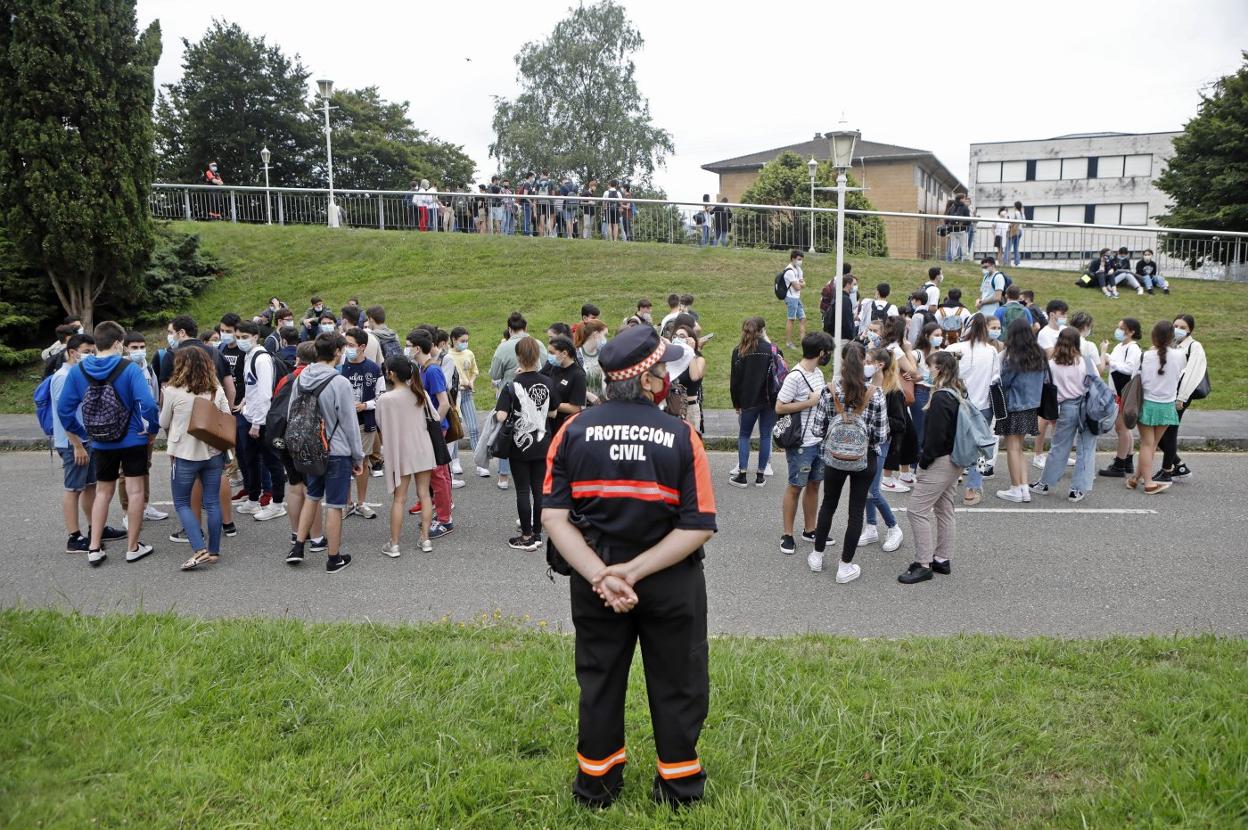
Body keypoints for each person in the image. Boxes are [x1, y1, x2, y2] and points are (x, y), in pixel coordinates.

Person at [540, 324, 716, 808]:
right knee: (678, 681)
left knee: (599, 679)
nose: (669, 379)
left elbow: (553, 517)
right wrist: (635, 572)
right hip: (671, 580)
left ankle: (596, 786)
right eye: (664, 370)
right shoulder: (683, 436)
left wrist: (602, 574)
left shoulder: (572, 432)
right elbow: (698, 525)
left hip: (594, 580)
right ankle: (679, 789)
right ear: (646, 380)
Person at [56, 321, 160, 566]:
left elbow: (64, 410)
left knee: (103, 492)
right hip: (133, 437)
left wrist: (83, 432)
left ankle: (94, 547)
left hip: (101, 441)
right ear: (117, 342)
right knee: (135, 492)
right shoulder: (130, 368)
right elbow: (148, 403)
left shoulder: (78, 371)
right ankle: (133, 547)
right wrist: (152, 430)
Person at [808, 342, 888, 581]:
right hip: (865, 459)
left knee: (829, 504)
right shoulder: (875, 393)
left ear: (842, 363)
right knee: (856, 511)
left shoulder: (829, 391)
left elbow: (817, 428)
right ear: (865, 363)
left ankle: (817, 555)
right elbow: (882, 434)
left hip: (833, 458)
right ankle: (845, 566)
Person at [285, 332, 363, 573]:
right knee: (335, 505)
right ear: (337, 352)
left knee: (312, 497)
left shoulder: (302, 377)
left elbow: (291, 413)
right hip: (336, 450)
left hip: (309, 449)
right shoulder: (339, 382)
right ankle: (333, 558)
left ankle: (298, 545)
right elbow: (349, 423)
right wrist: (358, 456)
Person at [160, 346, 232, 570]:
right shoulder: (216, 389)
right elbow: (226, 418)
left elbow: (163, 422)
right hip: (213, 453)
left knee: (182, 502)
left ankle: (199, 548)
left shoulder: (172, 391)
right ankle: (214, 550)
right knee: (211, 502)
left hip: (184, 454)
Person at [50, 334, 121, 553]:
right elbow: (65, 414)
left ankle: (95, 529)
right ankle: (74, 537)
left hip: (88, 439)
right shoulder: (63, 376)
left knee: (91, 486)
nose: (91, 355)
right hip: (73, 443)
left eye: (93, 351)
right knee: (73, 488)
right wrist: (77, 444)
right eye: (87, 351)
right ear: (73, 352)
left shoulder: (80, 373)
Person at [898, 351, 964, 584]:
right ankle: (942, 558)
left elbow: (935, 437)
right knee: (945, 509)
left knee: (916, 511)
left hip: (939, 461)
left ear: (941, 370)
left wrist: (923, 462)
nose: (927, 371)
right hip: (955, 459)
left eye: (930, 367)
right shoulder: (957, 392)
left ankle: (923, 563)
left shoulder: (940, 398)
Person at [495, 337, 559, 550]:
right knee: (539, 489)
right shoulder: (548, 381)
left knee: (523, 490)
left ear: (519, 358)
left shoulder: (512, 385)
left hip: (519, 444)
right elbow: (553, 412)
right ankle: (538, 533)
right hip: (543, 441)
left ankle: (526, 536)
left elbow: (501, 416)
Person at [375, 356, 436, 556]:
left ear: (391, 374)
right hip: (423, 448)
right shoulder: (420, 393)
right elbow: (435, 418)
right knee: (425, 494)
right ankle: (425, 539)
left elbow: (381, 426)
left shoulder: (385, 400)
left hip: (400, 452)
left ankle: (394, 544)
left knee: (399, 499)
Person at [775, 333, 830, 555]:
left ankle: (810, 529)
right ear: (820, 353)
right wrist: (809, 402)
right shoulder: (794, 377)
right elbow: (779, 407)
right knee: (795, 486)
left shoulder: (818, 373)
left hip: (819, 440)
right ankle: (787, 534)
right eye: (827, 352)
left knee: (815, 484)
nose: (828, 356)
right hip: (801, 443)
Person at [1030, 328, 1097, 502]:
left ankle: (1044, 483)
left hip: (1064, 408)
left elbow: (1046, 386)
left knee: (1059, 447)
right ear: (1078, 343)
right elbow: (1095, 384)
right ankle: (1077, 489)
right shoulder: (1086, 362)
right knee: (1086, 449)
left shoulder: (1051, 365)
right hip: (1086, 406)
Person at [234, 321, 288, 523]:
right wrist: (245, 402)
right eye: (238, 337)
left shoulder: (261, 358)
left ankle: (277, 503)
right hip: (251, 415)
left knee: (272, 461)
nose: (240, 341)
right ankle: (254, 499)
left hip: (263, 420)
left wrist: (257, 423)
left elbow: (265, 393)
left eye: (244, 337)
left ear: (255, 337)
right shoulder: (249, 356)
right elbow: (252, 387)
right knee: (251, 460)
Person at [489, 312, 550, 490]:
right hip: (534, 395)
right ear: (526, 327)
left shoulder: (503, 347)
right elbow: (545, 367)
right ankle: (534, 473)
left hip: (509, 395)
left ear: (509, 329)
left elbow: (494, 374)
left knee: (507, 433)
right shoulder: (537, 344)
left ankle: (503, 475)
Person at [946, 314, 1001, 504]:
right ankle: (973, 488)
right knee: (980, 448)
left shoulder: (954, 348)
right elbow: (995, 379)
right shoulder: (991, 351)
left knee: (954, 443)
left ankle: (951, 482)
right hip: (983, 405)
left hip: (956, 403)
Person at [1130, 320, 1186, 495]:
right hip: (1167, 405)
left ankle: (1144, 482)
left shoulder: (1145, 356)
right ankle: (1140, 480)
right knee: (1152, 445)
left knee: (1147, 444)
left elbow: (1134, 377)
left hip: (1147, 404)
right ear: (1171, 337)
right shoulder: (1180, 355)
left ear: (1153, 336)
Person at [408, 330, 455, 537]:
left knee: (438, 474)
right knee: (439, 473)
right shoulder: (421, 368)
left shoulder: (432, 371)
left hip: (435, 428)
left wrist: (434, 427)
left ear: (417, 348)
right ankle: (442, 515)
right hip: (431, 427)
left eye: (409, 344)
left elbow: (443, 402)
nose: (407, 348)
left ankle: (445, 520)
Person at [118, 331, 168, 524]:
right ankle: (127, 511)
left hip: (147, 429)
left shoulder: (148, 368)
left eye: (141, 347)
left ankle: (144, 506)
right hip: (129, 429)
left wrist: (153, 427)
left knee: (144, 466)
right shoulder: (122, 368)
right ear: (125, 348)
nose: (139, 351)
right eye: (134, 348)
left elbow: (154, 399)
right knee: (125, 472)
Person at [859, 347, 905, 551]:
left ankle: (894, 526)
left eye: (868, 361)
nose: (864, 365)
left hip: (881, 442)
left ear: (880, 365)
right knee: (865, 487)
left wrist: (878, 419)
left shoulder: (893, 391)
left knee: (872, 490)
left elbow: (900, 423)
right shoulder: (866, 384)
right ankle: (871, 526)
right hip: (865, 442)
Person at [994, 318, 1045, 503]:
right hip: (1031, 405)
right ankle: (1024, 487)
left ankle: (1016, 488)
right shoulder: (1038, 353)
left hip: (1013, 404)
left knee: (1012, 448)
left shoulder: (1012, 356)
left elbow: (1004, 381)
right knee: (1020, 448)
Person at [729, 316, 779, 488]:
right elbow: (780, 373)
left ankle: (742, 474)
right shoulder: (772, 349)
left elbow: (735, 382)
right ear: (762, 330)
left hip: (747, 400)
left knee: (744, 435)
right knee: (766, 436)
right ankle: (760, 475)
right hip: (769, 399)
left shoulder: (739, 351)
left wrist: (736, 403)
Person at [341, 328, 385, 520]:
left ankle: (361, 503)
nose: (347, 349)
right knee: (343, 463)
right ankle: (347, 503)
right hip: (342, 424)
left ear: (362, 347)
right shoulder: (340, 367)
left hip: (364, 422)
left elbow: (382, 397)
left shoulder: (374, 369)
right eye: (346, 345)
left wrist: (364, 405)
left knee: (362, 461)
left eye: (351, 345)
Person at [1156, 314, 1205, 483]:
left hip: (1181, 395)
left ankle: (1167, 471)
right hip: (1168, 394)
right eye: (1175, 325)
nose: (1178, 329)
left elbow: (1192, 374)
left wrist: (1181, 398)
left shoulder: (1194, 346)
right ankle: (1179, 466)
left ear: (1190, 329)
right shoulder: (1173, 345)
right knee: (1159, 433)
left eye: (1183, 327)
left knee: (1169, 432)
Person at [1097, 317, 1144, 478]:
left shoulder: (1133, 349)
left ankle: (1119, 465)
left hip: (1126, 392)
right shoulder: (1120, 346)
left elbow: (1130, 369)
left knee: (1121, 428)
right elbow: (1115, 365)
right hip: (1117, 392)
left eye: (1121, 328)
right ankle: (1128, 461)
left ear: (1131, 332)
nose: (1118, 331)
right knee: (1124, 428)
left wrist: (1109, 359)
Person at [1032, 300, 1069, 470]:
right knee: (1045, 418)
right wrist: (1065, 344)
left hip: (1065, 377)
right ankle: (1038, 454)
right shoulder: (1045, 333)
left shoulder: (1064, 330)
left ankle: (1060, 453)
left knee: (1058, 420)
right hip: (1048, 378)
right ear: (1052, 314)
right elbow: (1049, 354)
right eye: (1062, 314)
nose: (1064, 317)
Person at [447, 327, 485, 475]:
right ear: (453, 340)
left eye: (467, 341)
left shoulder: (469, 354)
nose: (465, 344)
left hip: (467, 394)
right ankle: (455, 461)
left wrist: (471, 381)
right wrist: (462, 384)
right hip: (455, 396)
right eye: (462, 341)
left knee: (474, 427)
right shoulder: (448, 356)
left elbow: (474, 371)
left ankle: (479, 462)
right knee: (456, 428)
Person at [544, 336, 587, 436]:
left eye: (552, 353)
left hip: (564, 428)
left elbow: (576, 408)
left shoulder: (578, 375)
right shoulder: (554, 368)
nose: (549, 356)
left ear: (564, 353)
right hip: (549, 426)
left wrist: (549, 404)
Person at [671, 323, 705, 433]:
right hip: (673, 407)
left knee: (691, 445)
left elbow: (694, 376)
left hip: (690, 408)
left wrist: (690, 352)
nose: (677, 339)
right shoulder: (673, 358)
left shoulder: (698, 359)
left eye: (681, 336)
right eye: (675, 336)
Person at [575, 320, 607, 407]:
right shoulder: (576, 356)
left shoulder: (603, 354)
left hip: (601, 406)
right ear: (596, 334)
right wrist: (587, 394)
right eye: (604, 335)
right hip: (582, 407)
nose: (605, 339)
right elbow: (570, 383)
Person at [781, 250, 806, 348]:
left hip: (797, 297)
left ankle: (804, 342)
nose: (800, 261)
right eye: (799, 259)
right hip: (791, 298)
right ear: (793, 258)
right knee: (791, 319)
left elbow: (803, 283)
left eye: (801, 259)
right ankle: (788, 342)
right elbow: (798, 287)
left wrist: (800, 284)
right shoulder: (789, 271)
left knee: (803, 318)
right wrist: (801, 284)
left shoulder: (798, 269)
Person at [944, 194, 971, 261]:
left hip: (952, 230)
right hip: (962, 230)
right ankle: (963, 260)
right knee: (964, 246)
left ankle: (953, 260)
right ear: (961, 199)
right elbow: (968, 220)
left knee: (953, 246)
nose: (965, 200)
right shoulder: (965, 208)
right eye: (964, 198)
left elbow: (947, 219)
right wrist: (964, 224)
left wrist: (948, 226)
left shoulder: (951, 207)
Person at [1006, 201, 1024, 267]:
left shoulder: (1016, 213)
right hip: (1020, 231)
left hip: (1014, 231)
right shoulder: (1021, 213)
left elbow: (1014, 222)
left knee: (1008, 247)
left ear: (1015, 206)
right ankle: (1017, 262)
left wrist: (1011, 231)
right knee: (1016, 248)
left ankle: (1006, 262)